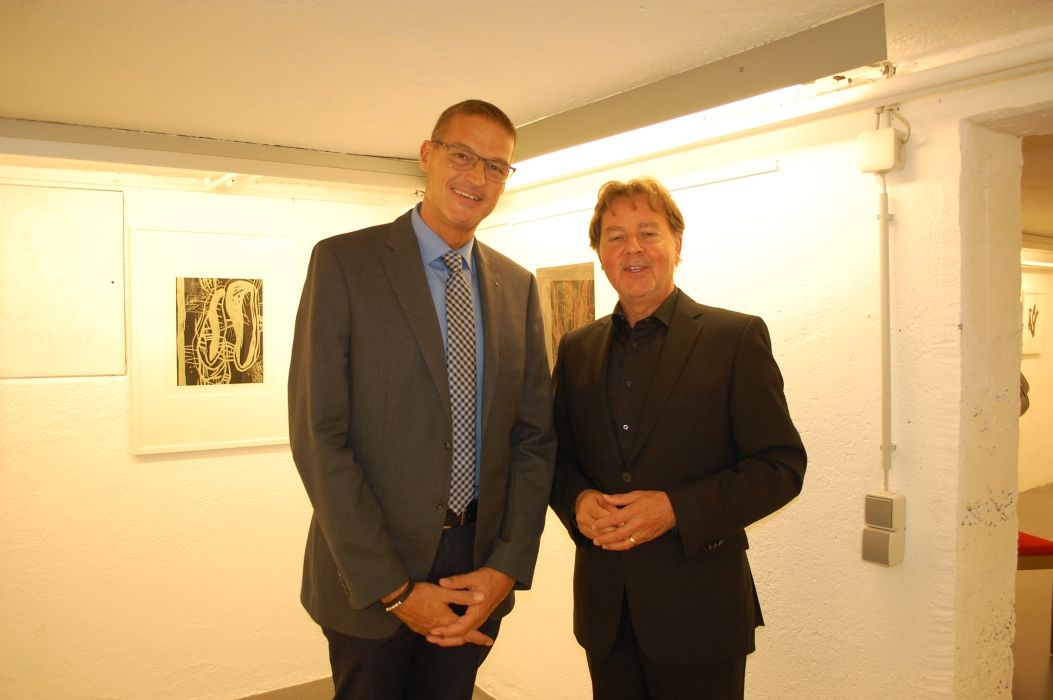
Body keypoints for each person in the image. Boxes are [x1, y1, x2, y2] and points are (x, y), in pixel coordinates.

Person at [288, 99, 556, 699]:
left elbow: (534, 440)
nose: (477, 176)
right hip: (372, 564)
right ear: (428, 156)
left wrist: (507, 566)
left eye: (496, 166)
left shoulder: (516, 286)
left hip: (476, 566)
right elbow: (318, 436)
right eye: (462, 155)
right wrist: (395, 590)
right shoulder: (345, 263)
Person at [549, 176, 807, 699]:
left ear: (677, 244)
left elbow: (780, 466)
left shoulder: (734, 338)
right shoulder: (576, 348)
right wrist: (576, 500)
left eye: (648, 232)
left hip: (701, 614)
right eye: (616, 237)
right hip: (606, 613)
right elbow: (555, 457)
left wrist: (675, 509)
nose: (633, 248)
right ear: (600, 253)